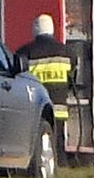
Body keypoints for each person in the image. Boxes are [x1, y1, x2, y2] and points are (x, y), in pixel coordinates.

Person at [15, 14, 75, 156]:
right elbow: (72, 73)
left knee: (37, 143)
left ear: (35, 29)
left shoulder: (25, 52)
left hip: (35, 107)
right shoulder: (67, 52)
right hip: (59, 108)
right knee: (58, 140)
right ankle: (60, 163)